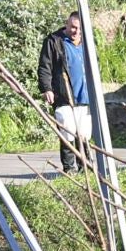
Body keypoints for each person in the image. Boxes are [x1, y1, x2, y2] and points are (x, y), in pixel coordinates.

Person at [37, 11, 94, 173]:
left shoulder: (87, 42)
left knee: (84, 134)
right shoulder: (54, 41)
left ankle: (86, 167)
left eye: (79, 29)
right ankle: (69, 169)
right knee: (67, 133)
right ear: (67, 24)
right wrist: (46, 88)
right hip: (64, 95)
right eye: (73, 27)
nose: (76, 32)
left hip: (85, 96)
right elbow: (44, 66)